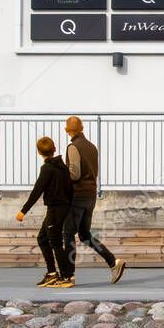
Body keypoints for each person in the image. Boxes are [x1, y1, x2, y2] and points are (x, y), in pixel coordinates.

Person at [59, 115, 126, 286]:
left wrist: (61, 175)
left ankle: (69, 275)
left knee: (68, 234)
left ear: (68, 130)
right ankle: (113, 262)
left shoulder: (73, 146)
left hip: (77, 196)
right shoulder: (92, 147)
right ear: (81, 128)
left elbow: (75, 173)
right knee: (85, 235)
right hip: (90, 196)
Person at [16, 136, 74, 288]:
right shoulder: (63, 167)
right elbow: (70, 190)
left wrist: (23, 211)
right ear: (54, 149)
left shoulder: (47, 169)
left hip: (56, 209)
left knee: (55, 242)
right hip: (61, 208)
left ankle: (66, 277)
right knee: (42, 238)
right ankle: (52, 273)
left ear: (39, 152)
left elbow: (37, 191)